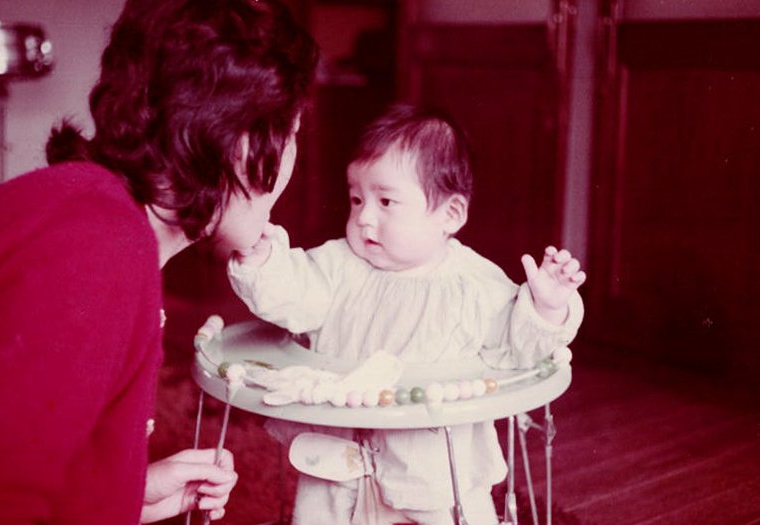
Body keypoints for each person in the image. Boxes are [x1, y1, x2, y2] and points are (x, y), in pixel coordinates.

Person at [0, 0, 318, 523]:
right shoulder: (98, 251)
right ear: (240, 143)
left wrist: (121, 494)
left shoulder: (94, 215)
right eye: (292, 135)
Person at [228, 104, 586, 525]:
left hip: (433, 471)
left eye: (386, 201)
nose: (364, 217)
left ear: (450, 214)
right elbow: (291, 293)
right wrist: (262, 260)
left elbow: (518, 347)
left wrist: (546, 306)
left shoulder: (473, 285)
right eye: (356, 199)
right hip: (338, 462)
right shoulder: (336, 267)